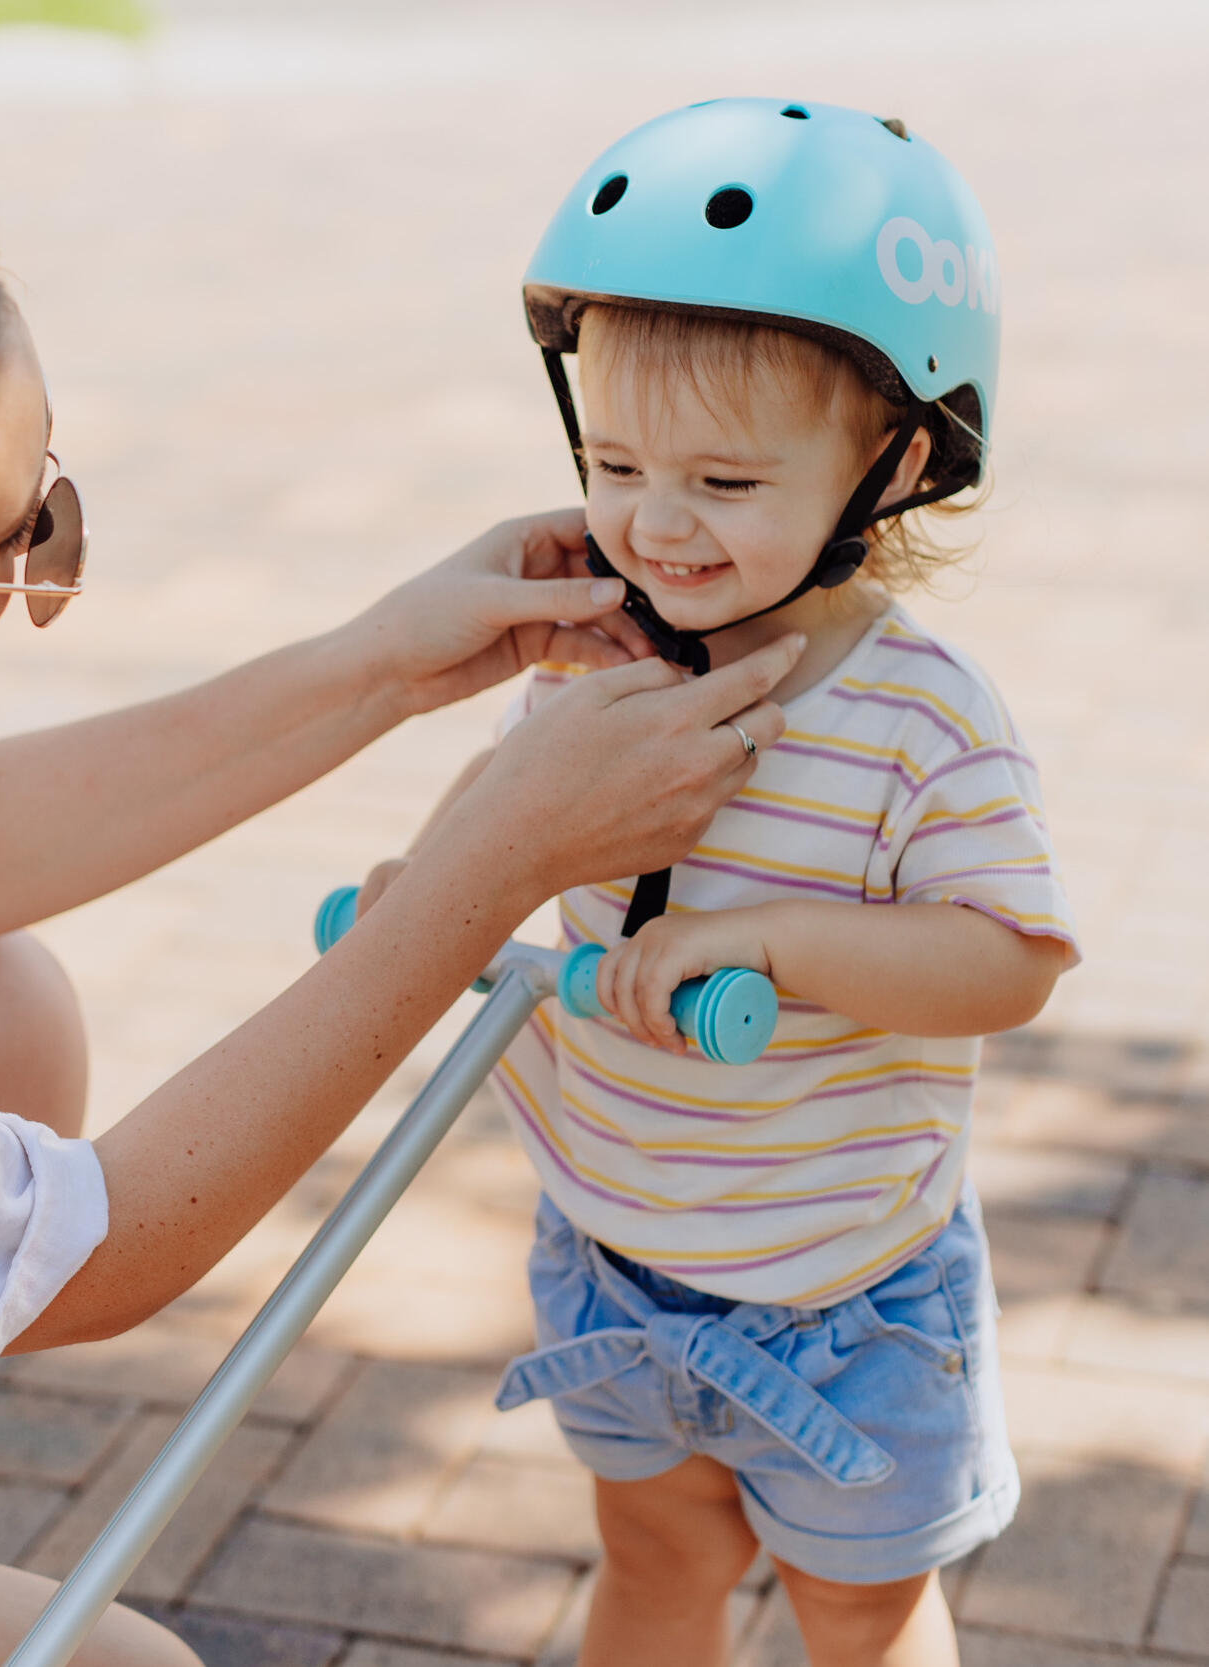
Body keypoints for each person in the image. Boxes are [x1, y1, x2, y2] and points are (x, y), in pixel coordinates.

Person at [0, 120, 804, 1667]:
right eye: (12, 544)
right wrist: (485, 873)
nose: (39, 569)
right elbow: (103, 1253)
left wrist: (387, 663)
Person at [356, 100, 1079, 1665]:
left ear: (887, 464)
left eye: (728, 486)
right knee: (652, 1558)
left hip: (847, 1301)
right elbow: (513, 800)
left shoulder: (917, 716)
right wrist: (438, 874)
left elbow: (1010, 958)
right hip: (615, 1247)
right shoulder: (601, 649)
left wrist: (775, 944)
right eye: (616, 463)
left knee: (862, 1613)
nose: (657, 523)